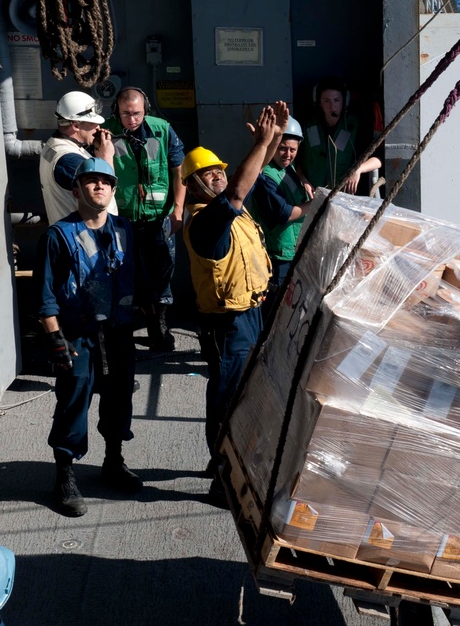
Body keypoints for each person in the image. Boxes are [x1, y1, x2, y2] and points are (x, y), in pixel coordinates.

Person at [181, 102, 287, 492]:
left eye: (219, 170)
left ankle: (233, 463)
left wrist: (274, 137)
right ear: (191, 185)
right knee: (228, 399)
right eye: (206, 174)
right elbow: (241, 188)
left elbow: (250, 176)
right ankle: (222, 477)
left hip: (252, 314)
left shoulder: (230, 210)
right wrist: (261, 141)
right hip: (228, 325)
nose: (217, 176)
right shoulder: (207, 220)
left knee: (248, 395)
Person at [35, 157, 142, 518]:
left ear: (112, 190)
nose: (99, 186)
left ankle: (113, 461)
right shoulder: (58, 236)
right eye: (91, 181)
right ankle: (64, 475)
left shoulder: (124, 228)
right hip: (78, 335)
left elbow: (135, 279)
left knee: (119, 399)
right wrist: (55, 340)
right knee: (73, 403)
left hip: (118, 333)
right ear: (76, 189)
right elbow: (45, 296)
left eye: (105, 182)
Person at [103, 87, 187, 351]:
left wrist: (178, 211)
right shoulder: (106, 132)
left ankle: (159, 327)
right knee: (128, 274)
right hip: (124, 219)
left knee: (162, 271)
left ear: (145, 110)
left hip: (158, 217)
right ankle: (137, 324)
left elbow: (179, 170)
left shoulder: (161, 130)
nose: (132, 120)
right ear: (117, 110)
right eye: (126, 114)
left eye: (137, 114)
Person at [247, 116, 313, 320]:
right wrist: (315, 204)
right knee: (274, 312)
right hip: (277, 255)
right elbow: (284, 213)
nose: (288, 154)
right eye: (283, 148)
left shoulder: (287, 168)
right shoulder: (266, 176)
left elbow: (296, 172)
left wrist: (304, 181)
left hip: (292, 251)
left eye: (293, 150)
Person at [39, 91, 119, 225]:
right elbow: (103, 202)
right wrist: (106, 158)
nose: (98, 128)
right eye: (93, 123)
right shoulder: (70, 161)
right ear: (76, 125)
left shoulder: (53, 145)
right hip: (84, 239)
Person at [298, 76, 381, 194]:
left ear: (344, 101)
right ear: (319, 102)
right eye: (326, 101)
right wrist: (303, 181)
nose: (332, 106)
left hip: (343, 197)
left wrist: (357, 170)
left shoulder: (356, 126)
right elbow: (296, 161)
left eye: (337, 100)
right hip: (312, 195)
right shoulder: (307, 126)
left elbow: (377, 160)